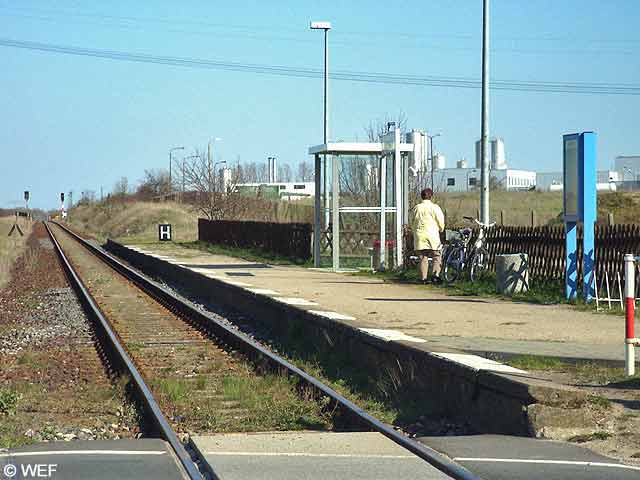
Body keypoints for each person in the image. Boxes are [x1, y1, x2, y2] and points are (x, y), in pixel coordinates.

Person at [410, 188, 445, 284]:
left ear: (421, 196)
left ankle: (423, 278)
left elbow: (412, 221)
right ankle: (435, 276)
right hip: (432, 234)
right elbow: (440, 221)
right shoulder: (435, 207)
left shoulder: (417, 208)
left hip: (420, 234)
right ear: (431, 196)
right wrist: (441, 229)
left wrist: (414, 230)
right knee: (436, 255)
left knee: (422, 257)